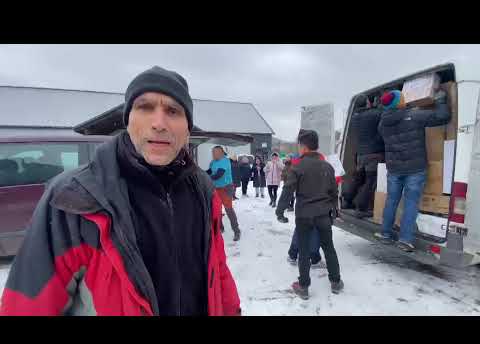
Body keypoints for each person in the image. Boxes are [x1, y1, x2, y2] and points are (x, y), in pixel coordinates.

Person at [0, 66, 241, 316]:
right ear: (128, 121)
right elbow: (28, 305)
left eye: (173, 110)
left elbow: (217, 270)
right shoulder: (73, 198)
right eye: (145, 107)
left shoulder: (202, 190)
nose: (159, 123)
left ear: (187, 128)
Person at [375, 89, 450, 252]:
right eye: (402, 98)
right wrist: (441, 100)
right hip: (415, 169)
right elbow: (443, 117)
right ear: (399, 102)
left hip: (394, 168)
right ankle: (405, 239)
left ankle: (385, 234)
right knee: (411, 203)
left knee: (392, 201)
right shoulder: (414, 116)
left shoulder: (382, 124)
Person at [276, 130, 343, 299]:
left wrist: (280, 210)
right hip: (323, 215)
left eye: (299, 145)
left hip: (304, 215)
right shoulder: (327, 167)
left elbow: (287, 191)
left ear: (303, 147)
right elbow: (334, 192)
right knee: (329, 247)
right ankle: (336, 282)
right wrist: (334, 210)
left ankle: (304, 286)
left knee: (304, 250)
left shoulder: (297, 167)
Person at [341, 94, 385, 218]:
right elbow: (383, 112)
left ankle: (347, 200)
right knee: (371, 181)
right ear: (367, 103)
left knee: (359, 178)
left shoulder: (354, 117)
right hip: (374, 154)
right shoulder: (375, 114)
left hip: (361, 155)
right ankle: (361, 206)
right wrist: (380, 104)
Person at [207, 146, 241, 242]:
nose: (213, 154)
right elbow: (210, 171)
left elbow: (218, 174)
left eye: (216, 152)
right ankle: (219, 228)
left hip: (226, 188)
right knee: (216, 209)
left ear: (221, 153)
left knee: (228, 209)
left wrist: (206, 178)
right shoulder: (213, 162)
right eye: (212, 152)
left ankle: (236, 231)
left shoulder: (225, 161)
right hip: (215, 188)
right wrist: (201, 173)